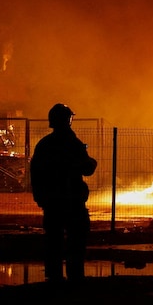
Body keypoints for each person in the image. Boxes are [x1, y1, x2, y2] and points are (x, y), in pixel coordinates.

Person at [30, 103, 98, 284]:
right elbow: (87, 169)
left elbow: (35, 172)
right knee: (76, 240)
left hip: (52, 202)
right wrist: (92, 162)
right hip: (72, 201)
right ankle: (75, 279)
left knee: (53, 242)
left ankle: (54, 280)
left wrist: (40, 197)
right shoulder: (72, 143)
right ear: (68, 120)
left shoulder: (44, 145)